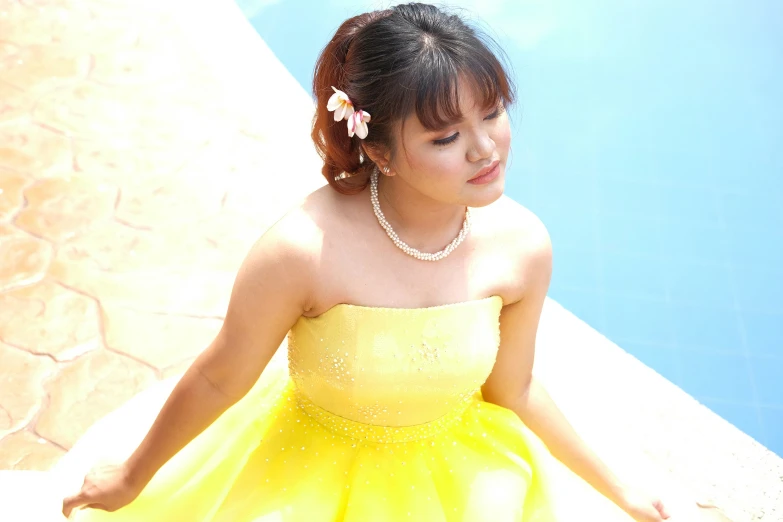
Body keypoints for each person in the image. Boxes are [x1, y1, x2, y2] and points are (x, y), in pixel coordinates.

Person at [59, 3, 729, 521]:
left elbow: (513, 388)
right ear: (378, 151)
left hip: (458, 483)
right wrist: (133, 475)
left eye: (491, 113)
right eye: (444, 135)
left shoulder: (522, 244)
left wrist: (618, 486)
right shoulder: (300, 250)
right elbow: (217, 378)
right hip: (306, 474)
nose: (484, 149)